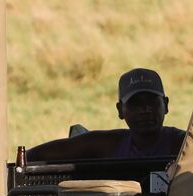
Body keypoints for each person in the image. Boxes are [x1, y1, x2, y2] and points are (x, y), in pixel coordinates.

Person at [26, 68, 184, 162]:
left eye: (152, 102)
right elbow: (39, 154)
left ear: (166, 105)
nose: (145, 109)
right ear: (120, 110)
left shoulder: (183, 144)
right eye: (135, 103)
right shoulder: (108, 144)